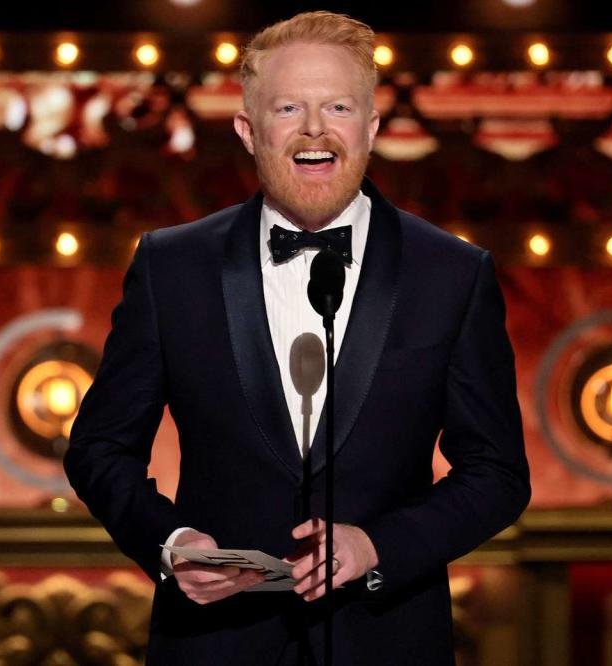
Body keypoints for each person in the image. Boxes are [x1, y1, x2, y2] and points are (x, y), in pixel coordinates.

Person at [64, 10, 530, 665]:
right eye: (288, 107)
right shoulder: (173, 268)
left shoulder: (452, 274)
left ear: (369, 128)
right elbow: (98, 450)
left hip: (387, 641)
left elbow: (497, 473)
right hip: (213, 646)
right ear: (249, 131)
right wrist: (171, 542)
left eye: (337, 106)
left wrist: (378, 546)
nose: (315, 128)